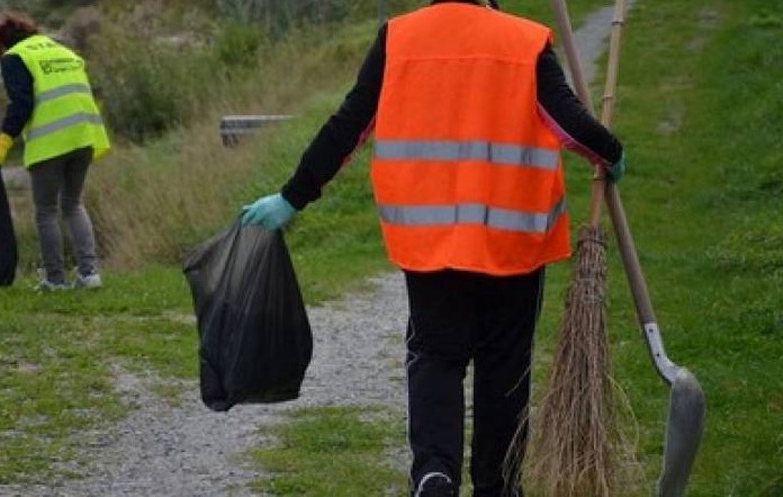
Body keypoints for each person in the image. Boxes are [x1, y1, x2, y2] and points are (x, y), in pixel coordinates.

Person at [241, 1, 625, 495]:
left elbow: (347, 126)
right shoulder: (525, 41)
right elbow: (571, 125)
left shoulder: (399, 38)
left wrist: (292, 198)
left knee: (436, 358)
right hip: (512, 244)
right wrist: (610, 152)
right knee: (503, 369)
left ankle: (434, 475)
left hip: (431, 244)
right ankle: (498, 484)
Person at [0, 9, 110, 291]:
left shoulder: (16, 58)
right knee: (73, 204)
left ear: (1, 43)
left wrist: (3, 143)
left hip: (51, 141)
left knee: (46, 210)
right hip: (84, 135)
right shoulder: (61, 51)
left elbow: (21, 104)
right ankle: (89, 275)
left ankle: (55, 280)